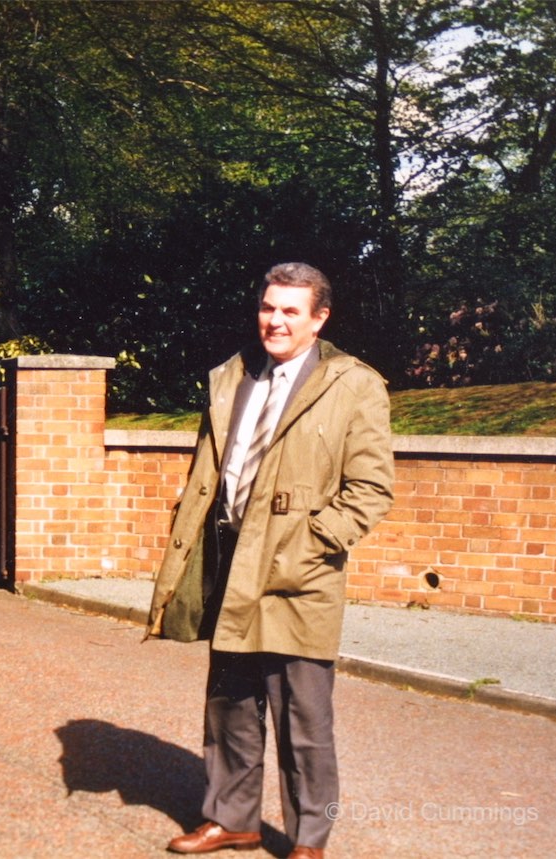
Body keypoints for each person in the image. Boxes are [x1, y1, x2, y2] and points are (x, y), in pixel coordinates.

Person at [146, 262, 394, 858]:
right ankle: (232, 819)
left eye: (290, 310)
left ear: (319, 318)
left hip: (298, 575)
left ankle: (310, 839)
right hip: (228, 561)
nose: (275, 320)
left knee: (304, 721)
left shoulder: (353, 384)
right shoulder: (232, 375)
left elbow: (371, 489)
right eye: (267, 307)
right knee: (228, 706)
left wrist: (310, 545)